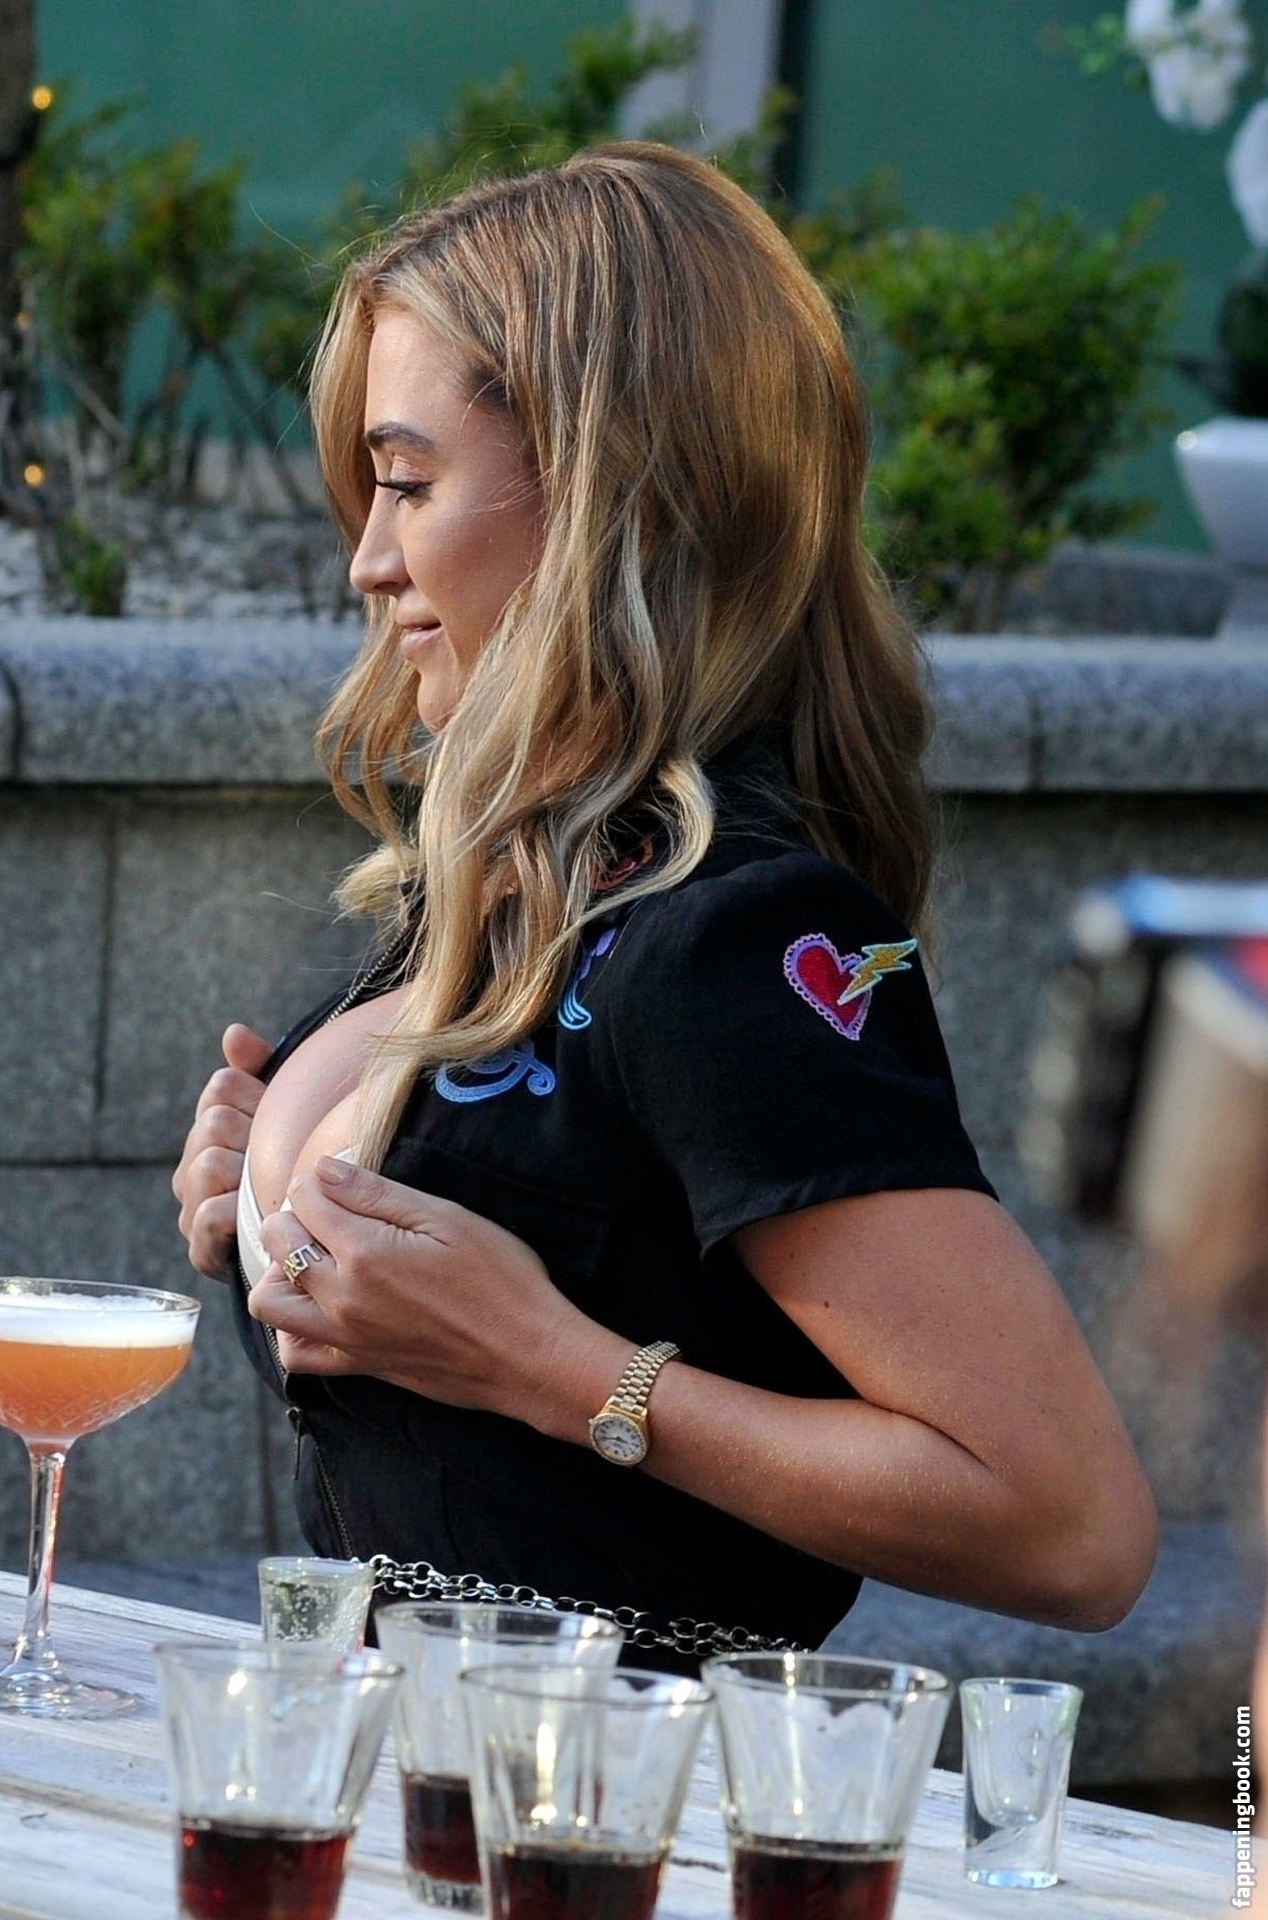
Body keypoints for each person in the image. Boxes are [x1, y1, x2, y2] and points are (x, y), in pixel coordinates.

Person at [172, 142, 1156, 1666]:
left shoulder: (732, 935)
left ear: (606, 498)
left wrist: (550, 1364)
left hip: (620, 1788)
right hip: (393, 1752)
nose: (367, 560)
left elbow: (1067, 1527)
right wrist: (267, 1208)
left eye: (408, 482)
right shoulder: (517, 879)